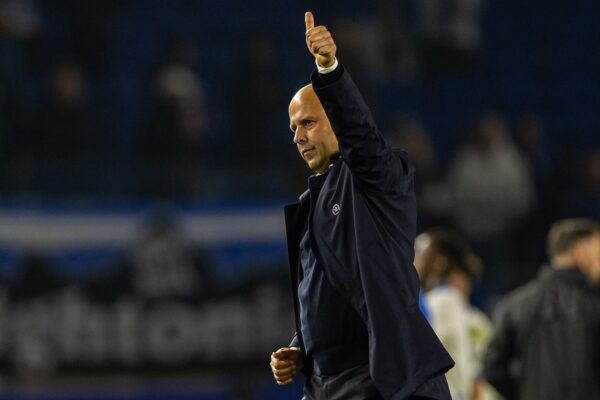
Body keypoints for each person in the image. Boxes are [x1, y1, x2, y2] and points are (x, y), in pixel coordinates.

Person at [269, 11, 453, 400]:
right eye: (293, 129)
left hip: (382, 379)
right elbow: (326, 292)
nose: (298, 137)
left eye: (308, 123)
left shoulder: (378, 178)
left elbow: (361, 135)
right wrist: (301, 345)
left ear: (335, 119)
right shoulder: (308, 207)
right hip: (326, 383)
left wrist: (329, 70)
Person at [484, 218, 600, 400]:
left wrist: (523, 392)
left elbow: (493, 367)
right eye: (598, 256)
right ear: (579, 253)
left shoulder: (514, 304)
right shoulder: (594, 304)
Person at [415, 229, 498, 400]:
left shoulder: (443, 301)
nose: (414, 260)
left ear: (439, 262)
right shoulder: (462, 309)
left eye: (419, 253)